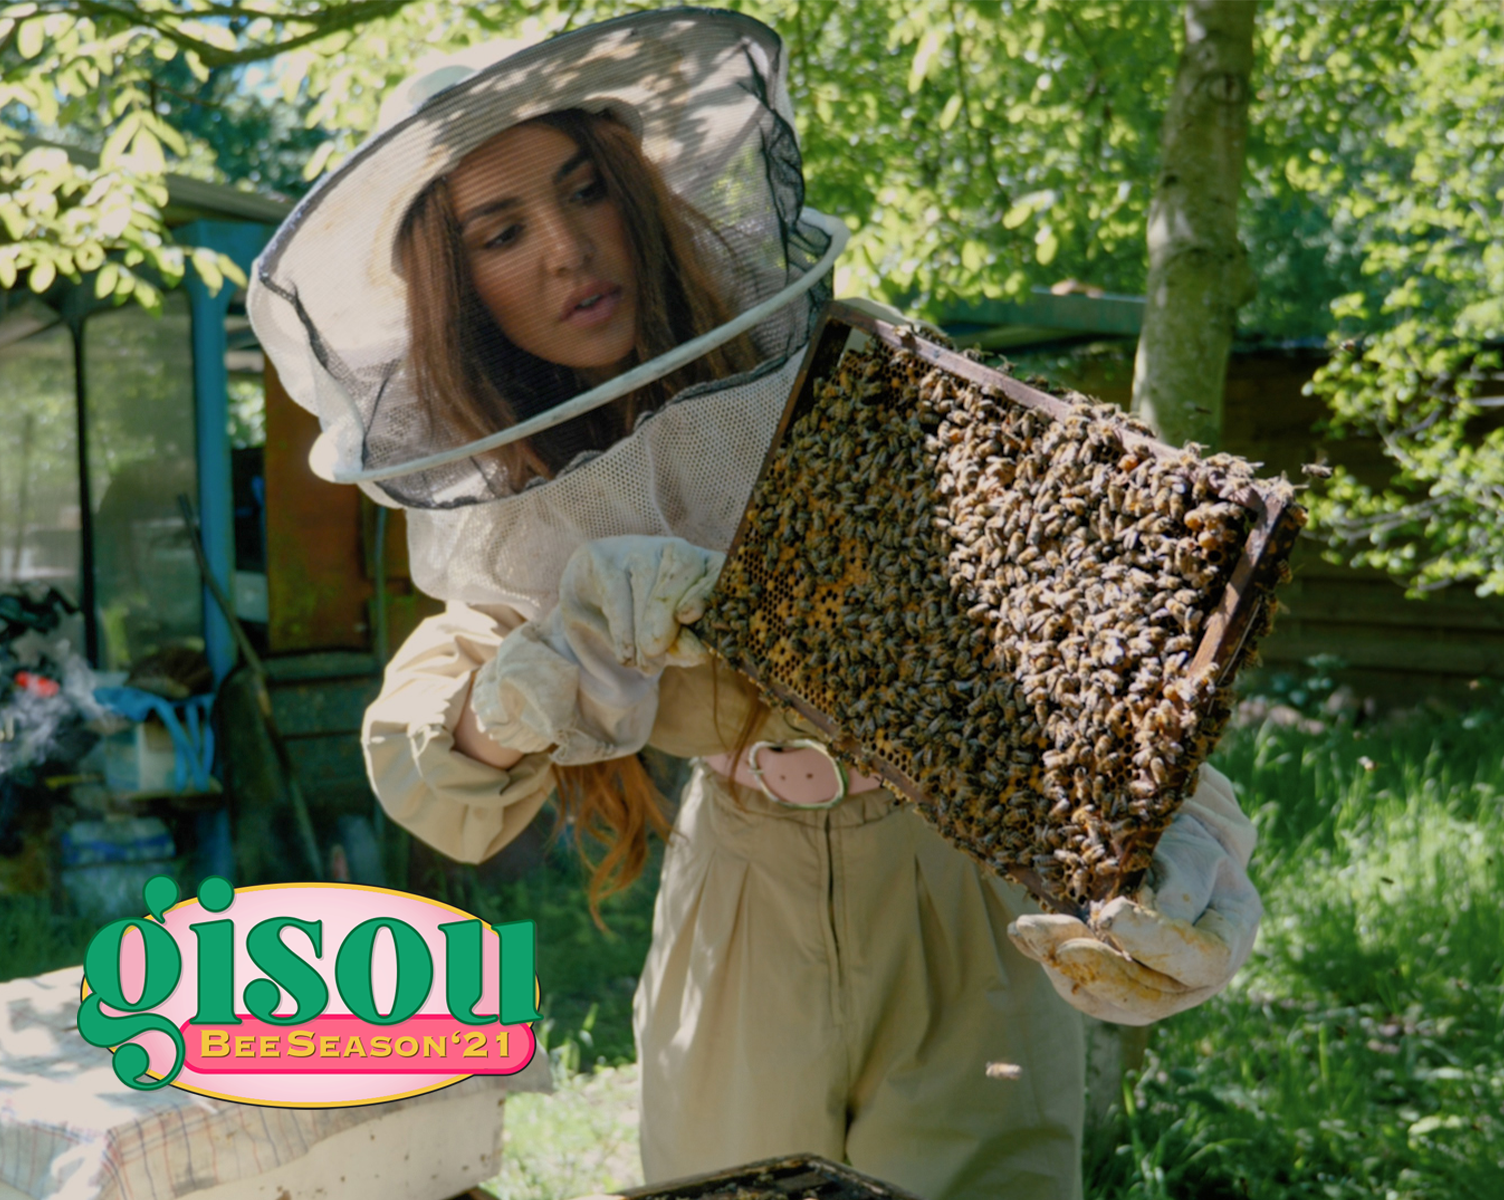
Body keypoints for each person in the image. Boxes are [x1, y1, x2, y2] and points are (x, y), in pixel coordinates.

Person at [248, 11, 1263, 1199]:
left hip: (950, 881)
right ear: (457, 283)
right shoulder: (516, 496)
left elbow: (1058, 627)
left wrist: (1179, 838)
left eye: (586, 191)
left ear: (636, 193)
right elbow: (439, 718)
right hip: (739, 897)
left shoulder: (846, 362)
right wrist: (510, 702)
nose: (571, 250)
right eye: (504, 231)